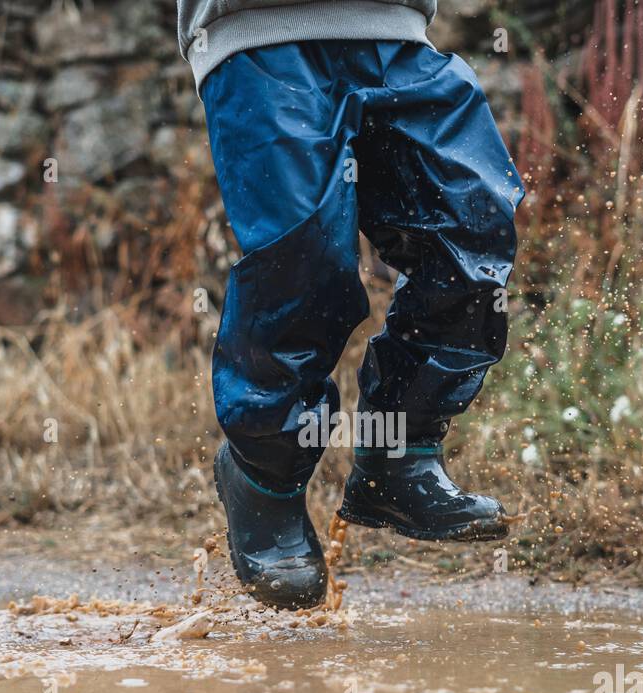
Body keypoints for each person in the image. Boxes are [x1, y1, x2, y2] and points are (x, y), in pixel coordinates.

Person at [179, 1, 524, 608]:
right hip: (260, 34)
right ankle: (264, 478)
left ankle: (400, 453)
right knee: (304, 265)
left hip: (398, 32)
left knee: (472, 234)